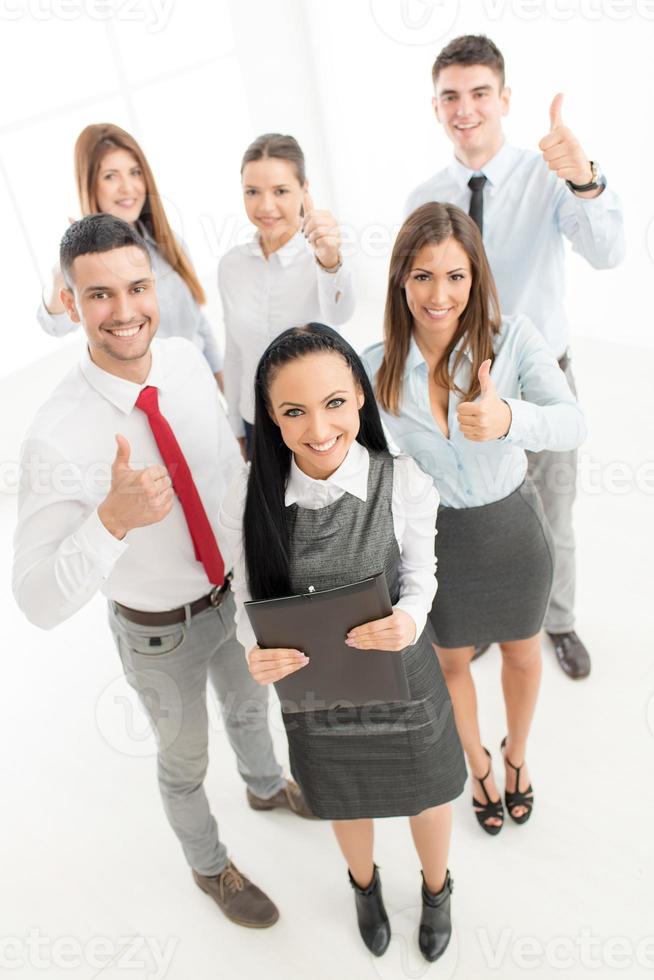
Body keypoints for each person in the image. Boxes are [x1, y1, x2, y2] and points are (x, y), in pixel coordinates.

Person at [13, 213, 315, 931]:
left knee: (249, 708)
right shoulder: (55, 435)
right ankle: (210, 866)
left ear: (156, 285)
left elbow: (225, 482)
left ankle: (266, 786)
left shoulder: (181, 360)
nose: (124, 312)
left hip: (229, 598)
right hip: (159, 636)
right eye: (99, 296)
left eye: (137, 287)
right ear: (69, 299)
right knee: (184, 761)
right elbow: (35, 601)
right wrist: (109, 520)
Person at [219, 323, 466, 963]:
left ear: (359, 395)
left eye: (333, 403)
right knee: (344, 799)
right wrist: (255, 648)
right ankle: (364, 885)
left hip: (404, 678)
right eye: (293, 411)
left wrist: (409, 621)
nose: (318, 428)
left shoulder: (404, 480)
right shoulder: (251, 498)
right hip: (316, 696)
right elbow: (246, 600)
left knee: (429, 795)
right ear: (271, 419)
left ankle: (437, 891)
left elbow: (421, 575)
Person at [363, 203, 587, 836]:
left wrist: (510, 417)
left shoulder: (513, 338)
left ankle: (517, 756)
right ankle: (479, 763)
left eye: (456, 276)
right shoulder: (375, 365)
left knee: (522, 651)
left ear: (476, 277)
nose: (440, 295)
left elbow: (573, 421)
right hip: (437, 543)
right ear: (400, 279)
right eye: (423, 275)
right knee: (453, 662)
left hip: (512, 532)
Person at [405, 34, 625, 678]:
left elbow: (609, 251)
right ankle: (483, 621)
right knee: (476, 513)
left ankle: (556, 621)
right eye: (450, 96)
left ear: (505, 100)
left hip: (539, 380)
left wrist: (585, 179)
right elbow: (415, 295)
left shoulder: (549, 175)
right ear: (436, 107)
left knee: (552, 513)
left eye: (479, 93)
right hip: (461, 390)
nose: (464, 108)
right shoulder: (425, 198)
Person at [37, 123, 223, 386]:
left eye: (135, 173)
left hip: (199, 388)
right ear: (89, 184)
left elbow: (200, 328)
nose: (128, 187)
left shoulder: (171, 244)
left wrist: (232, 413)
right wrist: (61, 270)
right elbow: (54, 325)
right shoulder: (88, 265)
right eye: (111, 176)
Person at [219, 133, 355, 459]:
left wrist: (329, 259)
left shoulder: (323, 253)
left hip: (319, 424)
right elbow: (235, 352)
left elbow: (340, 315)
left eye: (280, 191)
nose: (266, 206)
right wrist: (236, 428)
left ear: (304, 190)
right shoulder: (232, 266)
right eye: (252, 192)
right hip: (258, 423)